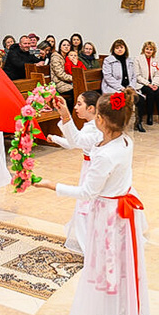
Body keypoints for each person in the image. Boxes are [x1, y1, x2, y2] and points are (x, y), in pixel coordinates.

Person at [35, 88, 151, 315]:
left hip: (110, 216)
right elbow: (80, 142)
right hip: (121, 213)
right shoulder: (123, 141)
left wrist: (50, 184)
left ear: (100, 120)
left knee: (106, 271)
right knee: (117, 269)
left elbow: (87, 192)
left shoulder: (104, 155)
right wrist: (65, 117)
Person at [47, 91, 102, 252]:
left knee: (87, 204)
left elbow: (76, 141)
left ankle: (91, 247)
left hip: (94, 169)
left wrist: (65, 116)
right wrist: (55, 138)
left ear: (91, 108)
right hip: (89, 167)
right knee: (86, 203)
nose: (76, 107)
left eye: (79, 104)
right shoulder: (91, 125)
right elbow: (74, 142)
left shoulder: (95, 128)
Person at [102, 39, 145, 132]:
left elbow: (133, 76)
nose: (119, 50)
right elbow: (108, 77)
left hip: (128, 88)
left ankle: (138, 123)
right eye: (117, 48)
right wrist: (121, 88)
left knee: (140, 99)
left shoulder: (129, 60)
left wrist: (130, 87)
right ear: (113, 49)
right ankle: (118, 124)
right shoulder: (108, 60)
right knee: (121, 99)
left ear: (125, 48)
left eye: (121, 47)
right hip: (113, 88)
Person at [135, 41, 159, 126]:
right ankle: (149, 116)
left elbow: (157, 75)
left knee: (158, 91)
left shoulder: (155, 60)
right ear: (143, 49)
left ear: (153, 51)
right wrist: (148, 84)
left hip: (153, 83)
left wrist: (154, 84)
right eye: (147, 48)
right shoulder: (138, 59)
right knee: (150, 92)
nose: (148, 51)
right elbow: (137, 76)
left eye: (151, 49)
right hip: (142, 83)